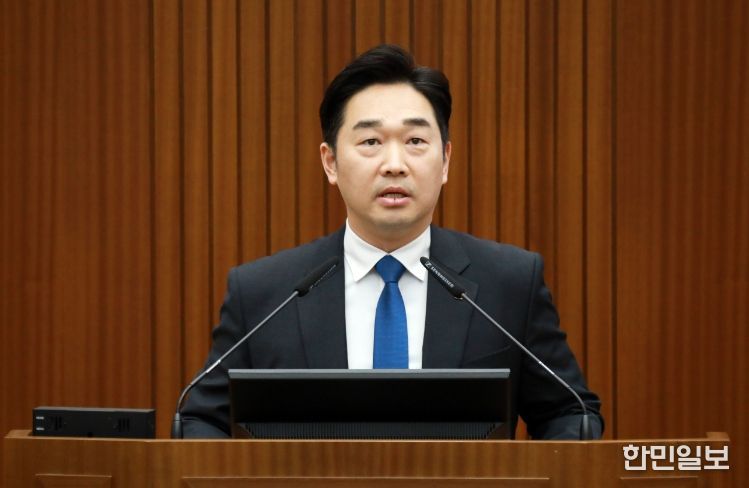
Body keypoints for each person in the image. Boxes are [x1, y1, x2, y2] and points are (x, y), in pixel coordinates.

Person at [181, 44, 603, 439]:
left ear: (445, 160)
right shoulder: (264, 293)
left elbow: (571, 413)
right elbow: (200, 420)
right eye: (371, 142)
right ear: (330, 162)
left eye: (416, 141)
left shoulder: (509, 283)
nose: (394, 165)